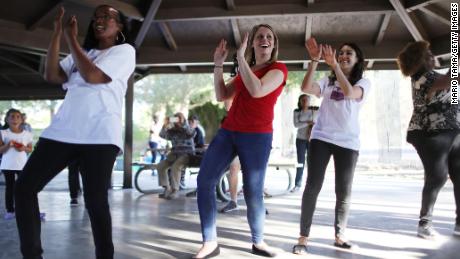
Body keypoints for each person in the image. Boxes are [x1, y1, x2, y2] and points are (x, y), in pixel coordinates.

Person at [14, 5, 135, 259]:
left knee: (95, 201)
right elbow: (51, 74)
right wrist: (58, 33)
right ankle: (32, 255)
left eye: (107, 16)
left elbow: (92, 76)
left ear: (120, 26)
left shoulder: (125, 51)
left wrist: (71, 38)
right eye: (97, 17)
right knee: (24, 188)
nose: (99, 20)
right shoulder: (85, 52)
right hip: (62, 131)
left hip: (100, 136)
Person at [194, 24, 288, 258]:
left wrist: (240, 59)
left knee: (252, 192)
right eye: (259, 37)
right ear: (253, 43)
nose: (264, 39)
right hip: (229, 132)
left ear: (273, 44)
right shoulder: (246, 69)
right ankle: (209, 242)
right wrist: (218, 64)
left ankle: (258, 242)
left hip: (257, 135)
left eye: (269, 37)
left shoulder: (278, 69)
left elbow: (257, 91)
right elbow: (221, 95)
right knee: (204, 181)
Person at [293, 38, 371, 254]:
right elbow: (305, 87)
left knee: (343, 191)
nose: (344, 56)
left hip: (348, 142)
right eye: (342, 53)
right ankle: (303, 237)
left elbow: (349, 93)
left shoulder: (363, 83)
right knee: (312, 187)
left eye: (349, 53)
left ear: (357, 61)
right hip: (321, 138)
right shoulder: (327, 81)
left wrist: (335, 66)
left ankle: (340, 235)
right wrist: (315, 60)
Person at [397, 41, 459, 239]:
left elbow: (453, 92)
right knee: (438, 176)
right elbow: (451, 78)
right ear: (418, 59)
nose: (432, 56)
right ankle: (424, 224)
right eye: (428, 53)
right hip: (429, 133)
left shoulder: (436, 77)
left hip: (452, 131)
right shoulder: (421, 78)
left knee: (458, 175)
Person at [0, 109, 34, 220]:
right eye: (12, 116)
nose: (15, 119)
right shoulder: (3, 133)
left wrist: (23, 148)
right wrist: (8, 145)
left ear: (22, 119)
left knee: (24, 187)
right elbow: (1, 150)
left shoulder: (27, 134)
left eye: (18, 117)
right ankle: (10, 210)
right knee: (10, 187)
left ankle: (25, 209)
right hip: (7, 164)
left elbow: (29, 149)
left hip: (22, 165)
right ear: (7, 119)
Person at [157, 112, 196, 200]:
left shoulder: (187, 129)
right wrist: (165, 124)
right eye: (175, 119)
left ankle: (175, 190)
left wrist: (183, 122)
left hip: (186, 154)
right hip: (174, 154)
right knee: (161, 166)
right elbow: (162, 135)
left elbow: (192, 133)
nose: (176, 121)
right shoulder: (172, 131)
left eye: (178, 119)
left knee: (175, 167)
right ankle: (167, 188)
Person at [291, 94, 316, 192]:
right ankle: (297, 184)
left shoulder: (314, 110)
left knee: (311, 162)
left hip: (311, 139)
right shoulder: (297, 111)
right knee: (300, 162)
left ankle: (311, 185)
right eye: (303, 100)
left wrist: (310, 123)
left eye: (307, 100)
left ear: (310, 101)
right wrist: (308, 123)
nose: (305, 102)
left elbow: (317, 122)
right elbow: (296, 125)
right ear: (300, 102)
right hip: (300, 139)